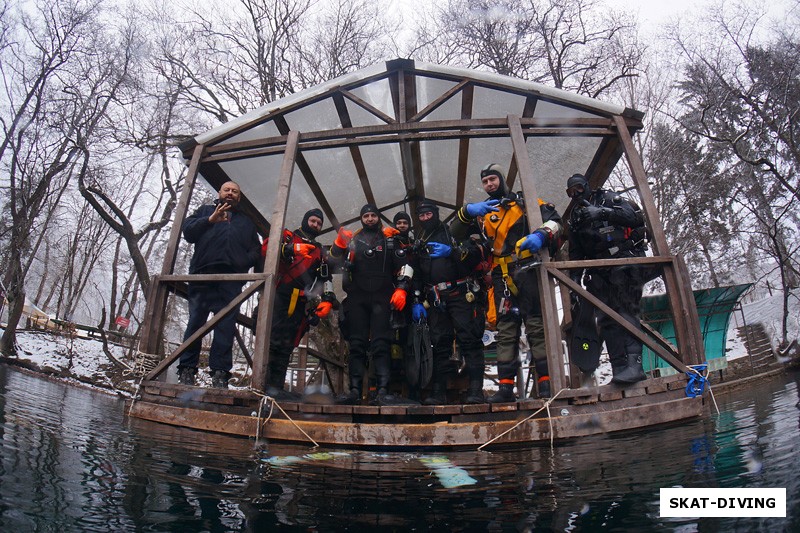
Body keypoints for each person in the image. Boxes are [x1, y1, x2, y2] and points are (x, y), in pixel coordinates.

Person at [452, 164, 562, 402]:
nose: (489, 184)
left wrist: (542, 234)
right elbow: (455, 232)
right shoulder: (484, 213)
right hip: (501, 277)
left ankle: (546, 384)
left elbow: (555, 221)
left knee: (536, 328)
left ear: (502, 180)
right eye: (485, 182)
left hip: (526, 271)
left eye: (493, 179)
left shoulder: (525, 203)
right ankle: (505, 389)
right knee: (506, 331)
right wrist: (468, 211)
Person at [566, 173, 649, 384]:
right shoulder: (576, 217)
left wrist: (601, 212)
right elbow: (575, 252)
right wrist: (574, 280)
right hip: (599, 273)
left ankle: (635, 365)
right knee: (607, 320)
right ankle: (619, 368)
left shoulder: (608, 199)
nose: (576, 194)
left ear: (587, 185)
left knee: (627, 312)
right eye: (570, 192)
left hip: (624, 264)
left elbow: (631, 216)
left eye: (578, 188)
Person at [178, 181, 261, 388]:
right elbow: (188, 232)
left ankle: (220, 374)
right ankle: (187, 370)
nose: (230, 193)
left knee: (225, 327)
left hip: (231, 282)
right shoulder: (205, 211)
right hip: (202, 277)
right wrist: (209, 220)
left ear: (239, 197)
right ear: (219, 192)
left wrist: (241, 262)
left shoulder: (247, 222)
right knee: (195, 323)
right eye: (227, 190)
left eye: (234, 191)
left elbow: (256, 251)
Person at [330, 204, 413, 406]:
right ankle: (355, 391)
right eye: (365, 216)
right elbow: (331, 264)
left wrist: (402, 288)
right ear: (361, 218)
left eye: (373, 216)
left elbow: (405, 266)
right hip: (357, 297)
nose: (369, 219)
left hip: (382, 297)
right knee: (357, 344)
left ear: (378, 218)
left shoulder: (389, 240)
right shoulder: (353, 240)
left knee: (381, 344)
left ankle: (383, 390)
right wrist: (338, 244)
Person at [411, 199, 488, 404]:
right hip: (435, 299)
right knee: (440, 344)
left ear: (436, 214)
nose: (426, 218)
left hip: (460, 293)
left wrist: (452, 252)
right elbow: (416, 271)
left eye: (429, 214)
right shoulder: (420, 240)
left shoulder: (454, 234)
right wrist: (416, 300)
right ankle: (438, 392)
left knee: (469, 339)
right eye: (422, 216)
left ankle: (475, 390)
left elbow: (474, 256)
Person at [261, 208, 337, 401]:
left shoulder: (320, 251)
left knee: (288, 342)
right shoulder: (287, 236)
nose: (315, 225)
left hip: (302, 300)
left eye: (319, 223)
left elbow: (326, 277)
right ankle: (263, 385)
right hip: (280, 295)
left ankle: (277, 387)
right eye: (312, 221)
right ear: (305, 220)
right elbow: (265, 250)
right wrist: (290, 249)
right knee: (272, 339)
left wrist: (328, 299)